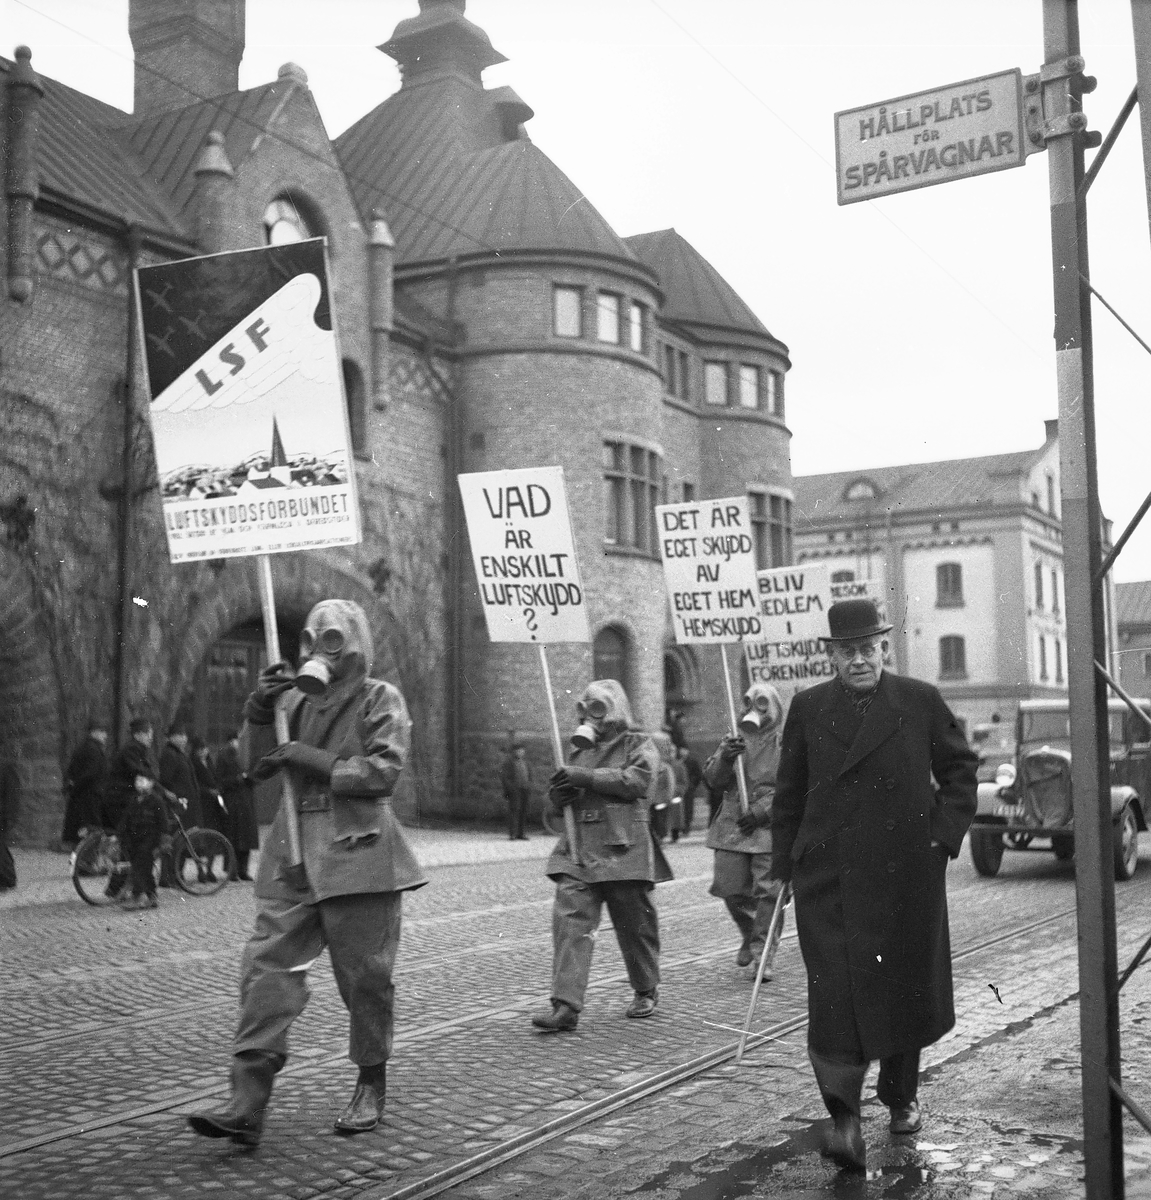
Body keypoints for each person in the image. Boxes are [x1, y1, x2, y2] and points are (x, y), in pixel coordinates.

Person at [188, 599, 425, 1147]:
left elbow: (384, 771)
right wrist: (259, 710)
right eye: (311, 640)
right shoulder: (291, 701)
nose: (320, 651)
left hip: (358, 854)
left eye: (332, 639)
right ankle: (248, 1101)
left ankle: (370, 1082)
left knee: (365, 979)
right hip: (292, 853)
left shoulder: (379, 698)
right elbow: (254, 767)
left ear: (356, 643)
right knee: (266, 970)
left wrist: (308, 758)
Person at [771, 599, 977, 1172]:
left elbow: (961, 770)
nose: (859, 660)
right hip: (829, 880)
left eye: (867, 649)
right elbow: (789, 793)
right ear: (832, 657)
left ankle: (900, 1094)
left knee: (901, 991)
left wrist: (940, 839)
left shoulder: (919, 700)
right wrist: (782, 868)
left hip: (905, 876)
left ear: (884, 648)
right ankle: (844, 1119)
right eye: (847, 652)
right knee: (834, 1000)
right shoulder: (808, 707)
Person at [531, 679, 669, 1033]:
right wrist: (559, 796)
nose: (590, 716)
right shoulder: (578, 749)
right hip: (578, 849)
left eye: (598, 707)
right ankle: (565, 1005)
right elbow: (561, 799)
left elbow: (637, 782)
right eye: (585, 706)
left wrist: (586, 777)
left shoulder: (638, 743)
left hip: (623, 847)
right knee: (570, 924)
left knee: (634, 925)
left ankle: (645, 988)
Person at [703, 681, 785, 975]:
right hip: (733, 826)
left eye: (762, 703)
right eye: (749, 703)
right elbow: (713, 780)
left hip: (769, 828)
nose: (754, 710)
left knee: (768, 894)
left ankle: (763, 956)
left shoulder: (785, 743)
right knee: (730, 889)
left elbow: (794, 787)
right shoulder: (733, 740)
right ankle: (750, 932)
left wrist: (763, 811)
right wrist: (725, 757)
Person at [116, 771, 169, 909]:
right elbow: (126, 819)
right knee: (144, 870)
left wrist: (162, 841)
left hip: (150, 840)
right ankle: (152, 897)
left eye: (142, 781)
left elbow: (163, 823)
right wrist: (119, 834)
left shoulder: (157, 801)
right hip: (135, 839)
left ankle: (137, 897)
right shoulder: (134, 800)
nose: (138, 784)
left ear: (151, 783)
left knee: (140, 867)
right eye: (137, 781)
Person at [103, 718, 158, 833]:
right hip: (120, 800)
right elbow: (139, 773)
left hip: (122, 798)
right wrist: (163, 791)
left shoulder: (138, 750)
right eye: (147, 734)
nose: (150, 738)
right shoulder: (132, 750)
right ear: (137, 735)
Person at [216, 730, 258, 881]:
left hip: (245, 801)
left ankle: (243, 870)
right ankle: (232, 870)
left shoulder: (245, 756)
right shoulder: (223, 756)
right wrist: (239, 779)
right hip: (233, 801)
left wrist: (249, 777)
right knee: (233, 838)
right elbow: (220, 780)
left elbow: (254, 775)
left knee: (245, 838)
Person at [61, 722, 109, 847]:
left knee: (83, 831)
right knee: (90, 830)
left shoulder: (85, 747)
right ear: (94, 732)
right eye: (102, 732)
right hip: (89, 796)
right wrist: (77, 785)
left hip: (83, 795)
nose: (105, 736)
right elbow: (91, 773)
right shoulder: (93, 749)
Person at [160, 723, 203, 832]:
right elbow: (166, 779)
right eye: (180, 735)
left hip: (188, 801)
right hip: (180, 802)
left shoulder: (181, 754)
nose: (184, 738)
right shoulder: (170, 754)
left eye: (184, 735)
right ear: (171, 737)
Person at [190, 734, 228, 837]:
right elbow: (196, 784)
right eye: (200, 749)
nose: (203, 751)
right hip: (203, 800)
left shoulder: (209, 762)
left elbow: (216, 778)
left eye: (204, 748)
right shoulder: (193, 764)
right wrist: (209, 791)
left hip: (215, 800)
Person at [500, 740, 532, 840]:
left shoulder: (526, 762)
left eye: (522, 750)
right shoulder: (508, 762)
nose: (521, 752)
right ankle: (513, 834)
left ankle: (521, 834)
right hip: (515, 790)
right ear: (514, 752)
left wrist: (529, 785)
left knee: (523, 811)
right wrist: (511, 789)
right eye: (518, 751)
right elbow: (505, 778)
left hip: (525, 789)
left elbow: (530, 775)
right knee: (514, 811)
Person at [0, 759, 19, 891]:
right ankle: (7, 877)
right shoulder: (6, 768)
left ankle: (7, 878)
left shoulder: (5, 769)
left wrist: (9, 816)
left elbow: (11, 796)